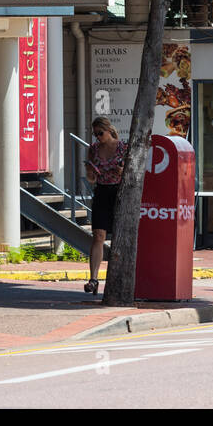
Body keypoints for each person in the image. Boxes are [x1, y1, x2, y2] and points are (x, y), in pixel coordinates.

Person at [84, 116, 125, 295]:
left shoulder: (122, 147)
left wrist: (122, 172)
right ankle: (93, 278)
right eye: (95, 135)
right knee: (98, 235)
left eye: (100, 133)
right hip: (101, 191)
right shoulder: (93, 149)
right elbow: (91, 179)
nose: (98, 137)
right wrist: (91, 173)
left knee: (119, 236)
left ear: (108, 130)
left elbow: (132, 174)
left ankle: (118, 278)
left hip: (118, 192)